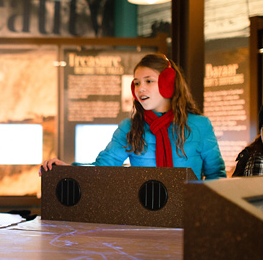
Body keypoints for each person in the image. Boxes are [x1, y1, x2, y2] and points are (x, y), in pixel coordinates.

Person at [40, 53, 226, 180]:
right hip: (145, 216)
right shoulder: (129, 127)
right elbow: (104, 167)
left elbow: (215, 175)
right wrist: (66, 168)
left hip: (189, 216)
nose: (140, 89)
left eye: (148, 81)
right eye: (136, 83)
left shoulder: (200, 125)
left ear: (168, 83)